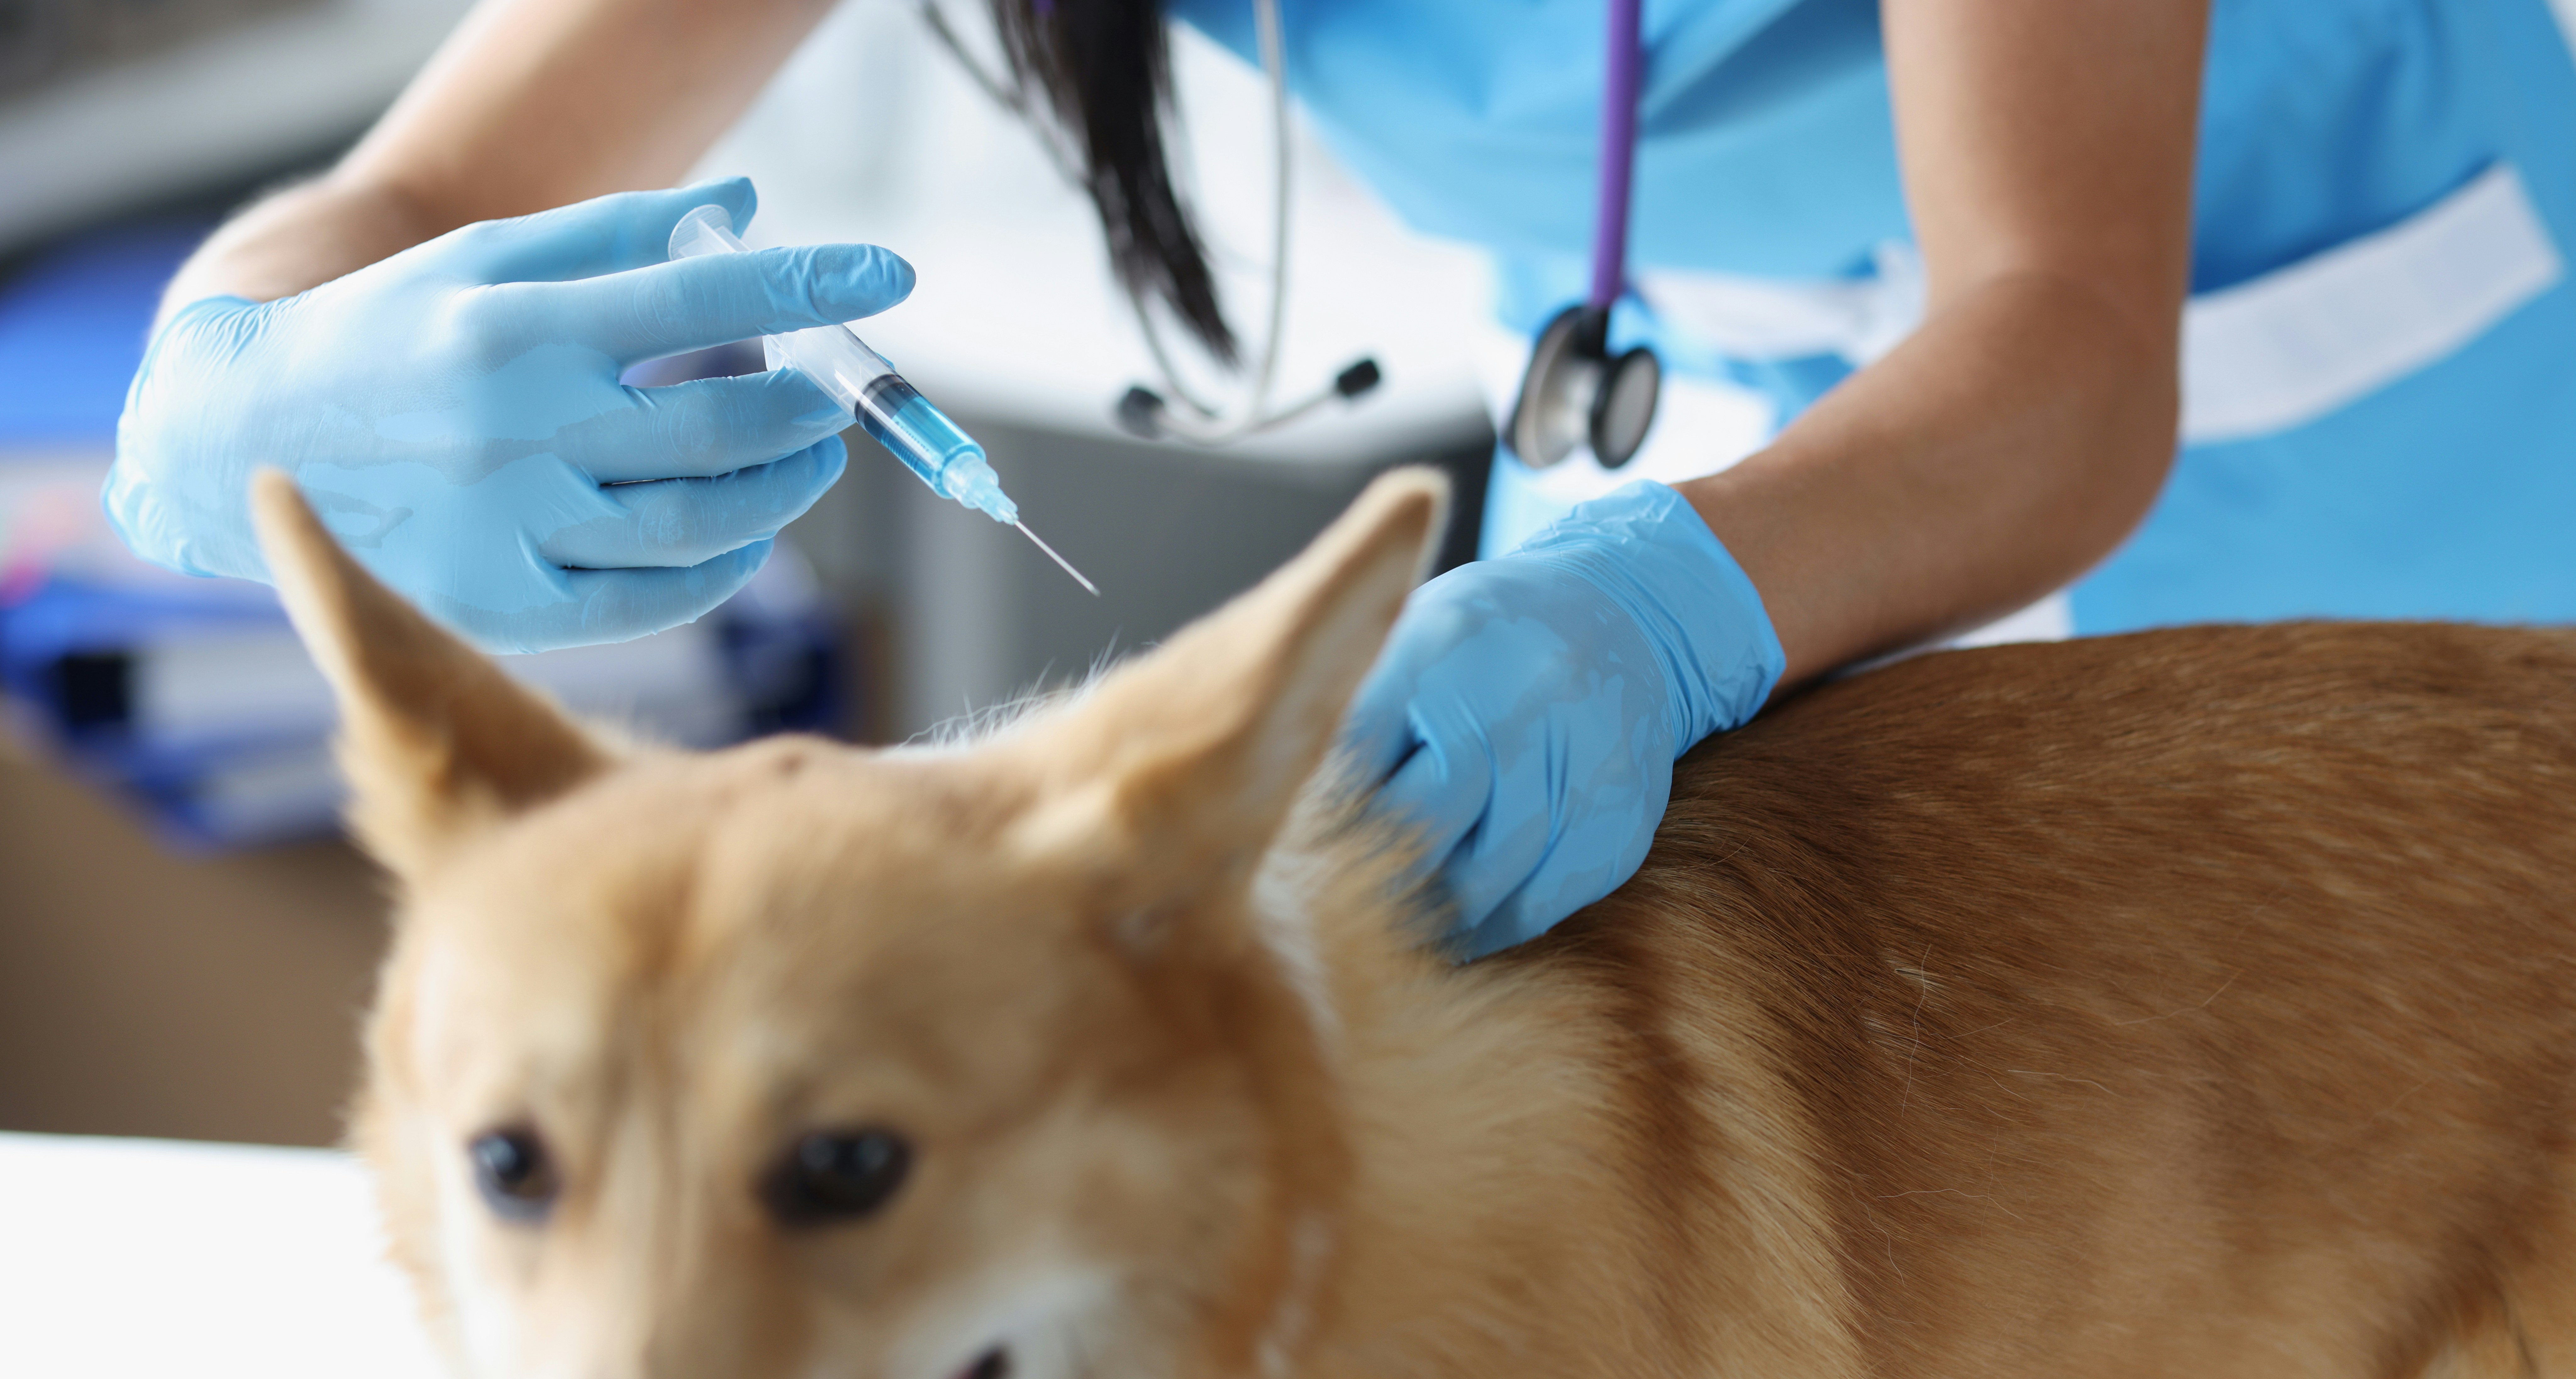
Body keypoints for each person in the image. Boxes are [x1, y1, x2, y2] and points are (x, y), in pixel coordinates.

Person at [107, 0, 2576, 958]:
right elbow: (411, 192)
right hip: (1708, 426)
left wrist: (1661, 610)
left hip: (2380, 383)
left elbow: (2047, 351)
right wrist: (233, 397)